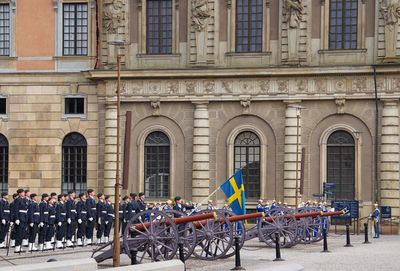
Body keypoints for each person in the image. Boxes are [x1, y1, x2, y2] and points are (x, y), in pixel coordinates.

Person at [12, 189, 28, 253]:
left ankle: (19, 246)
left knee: (22, 233)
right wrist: (16, 218)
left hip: (24, 217)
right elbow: (16, 210)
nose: (24, 193)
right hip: (20, 217)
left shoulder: (24, 199)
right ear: (19, 193)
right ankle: (16, 247)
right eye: (23, 192)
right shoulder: (17, 199)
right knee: (18, 233)